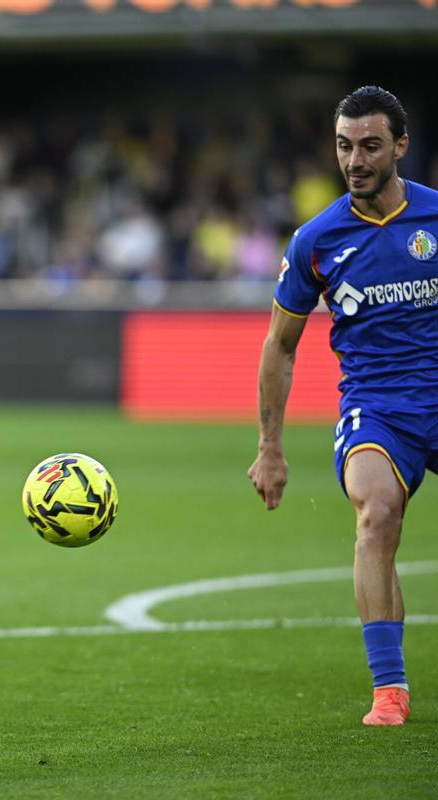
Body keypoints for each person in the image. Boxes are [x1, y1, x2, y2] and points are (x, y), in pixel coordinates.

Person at [248, 86, 438, 726]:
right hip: (377, 409)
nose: (355, 160)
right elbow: (279, 345)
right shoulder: (316, 241)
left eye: (370, 146)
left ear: (401, 146)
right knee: (376, 512)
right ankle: (390, 689)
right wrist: (269, 448)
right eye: (344, 146)